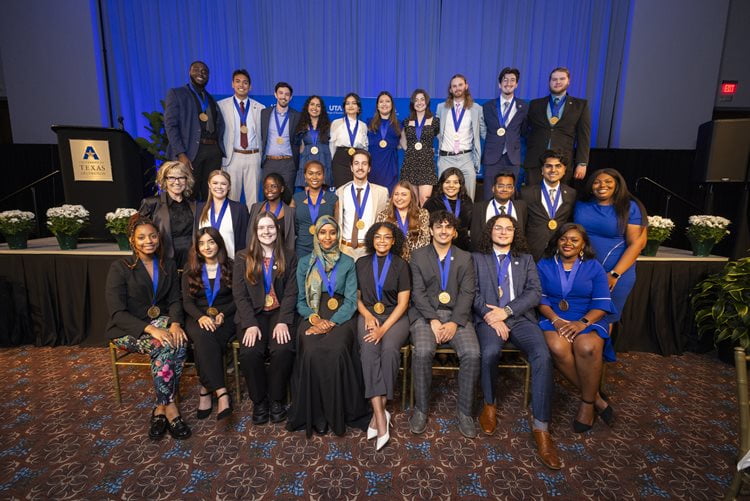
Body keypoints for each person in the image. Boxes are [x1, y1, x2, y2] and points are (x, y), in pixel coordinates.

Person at [472, 214, 560, 470]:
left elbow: (534, 293)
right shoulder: (477, 259)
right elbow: (472, 292)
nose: (502, 232)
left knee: (543, 356)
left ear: (514, 233)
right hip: (489, 319)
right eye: (497, 228)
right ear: (490, 232)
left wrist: (507, 311)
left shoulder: (526, 259)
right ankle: (489, 404)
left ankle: (542, 428)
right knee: (488, 352)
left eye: (507, 228)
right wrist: (491, 316)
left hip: (519, 318)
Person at [105, 215, 190, 440]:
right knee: (162, 344)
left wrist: (175, 324)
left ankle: (160, 408)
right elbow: (117, 312)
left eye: (152, 236)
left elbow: (174, 300)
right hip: (127, 328)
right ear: (133, 241)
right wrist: (151, 330)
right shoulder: (120, 267)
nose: (148, 241)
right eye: (141, 237)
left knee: (178, 340)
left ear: (159, 238)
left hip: (160, 323)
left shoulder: (167, 265)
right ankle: (170, 407)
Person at [287, 215, 371, 437]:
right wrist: (315, 319)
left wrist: (332, 322)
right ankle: (317, 416)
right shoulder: (305, 262)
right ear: (316, 234)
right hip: (313, 314)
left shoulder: (348, 262)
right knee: (312, 350)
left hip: (341, 315)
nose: (327, 237)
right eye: (323, 232)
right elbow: (300, 301)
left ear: (338, 235)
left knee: (335, 351)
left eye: (332, 232)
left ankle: (337, 414)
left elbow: (352, 300)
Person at [537, 223, 615, 433]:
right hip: (554, 317)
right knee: (557, 347)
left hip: (588, 317)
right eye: (563, 239)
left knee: (586, 348)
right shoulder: (544, 264)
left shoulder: (594, 266)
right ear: (557, 242)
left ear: (583, 245)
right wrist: (556, 320)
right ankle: (596, 398)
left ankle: (587, 405)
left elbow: (601, 302)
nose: (568, 243)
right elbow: (541, 299)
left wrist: (583, 323)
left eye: (574, 240)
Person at [409, 210, 480, 438]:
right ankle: (421, 409)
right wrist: (432, 319)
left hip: (457, 314)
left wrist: (454, 323)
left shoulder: (465, 257)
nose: (443, 231)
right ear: (430, 230)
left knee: (472, 353)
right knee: (422, 351)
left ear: (455, 232)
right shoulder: (418, 256)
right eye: (438, 226)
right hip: (425, 314)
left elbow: (468, 293)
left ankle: (465, 412)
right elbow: (418, 293)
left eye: (448, 227)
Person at [234, 212, 298, 426]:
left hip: (279, 313)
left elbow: (291, 292)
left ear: (277, 230)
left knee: (283, 349)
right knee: (250, 351)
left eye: (271, 227)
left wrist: (283, 320)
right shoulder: (243, 257)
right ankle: (260, 401)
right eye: (262, 228)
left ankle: (277, 399)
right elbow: (240, 295)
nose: (267, 232)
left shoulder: (289, 256)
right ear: (255, 231)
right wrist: (250, 323)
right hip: (253, 314)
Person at [356, 222, 411, 451]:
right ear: (371, 239)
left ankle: (379, 413)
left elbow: (403, 303)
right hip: (368, 314)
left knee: (389, 351)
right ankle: (381, 415)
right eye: (377, 237)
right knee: (369, 351)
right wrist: (368, 315)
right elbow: (356, 297)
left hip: (394, 317)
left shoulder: (401, 265)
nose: (382, 241)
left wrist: (383, 328)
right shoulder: (361, 263)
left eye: (387, 237)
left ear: (393, 240)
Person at [574, 168, 647, 325]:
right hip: (583, 271)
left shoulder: (629, 207)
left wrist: (614, 274)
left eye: (608, 182)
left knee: (604, 319)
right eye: (597, 182)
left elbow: (637, 244)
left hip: (614, 272)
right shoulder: (581, 204)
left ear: (617, 185)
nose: (602, 186)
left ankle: (602, 350)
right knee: (579, 316)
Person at [182, 227, 235, 421]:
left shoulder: (232, 266)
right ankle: (222, 393)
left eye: (211, 242)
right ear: (196, 247)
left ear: (219, 244)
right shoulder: (190, 269)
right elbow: (187, 302)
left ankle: (205, 389)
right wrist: (201, 317)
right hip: (198, 315)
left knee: (213, 337)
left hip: (226, 315)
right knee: (203, 335)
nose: (207, 247)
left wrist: (222, 314)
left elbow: (238, 298)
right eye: (202, 243)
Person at [164, 61, 225, 201]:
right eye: (196, 69)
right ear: (189, 72)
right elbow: (170, 125)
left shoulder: (210, 99)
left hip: (212, 152)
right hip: (191, 153)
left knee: (209, 194)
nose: (201, 73)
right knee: (188, 193)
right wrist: (181, 153)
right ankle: (188, 223)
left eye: (205, 71)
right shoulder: (177, 94)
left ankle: (207, 222)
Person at [524, 67, 591, 186]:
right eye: (554, 79)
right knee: (532, 199)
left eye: (562, 79)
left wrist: (582, 163)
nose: (557, 82)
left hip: (563, 162)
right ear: (549, 82)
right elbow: (525, 130)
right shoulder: (535, 104)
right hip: (535, 161)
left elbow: (584, 136)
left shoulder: (580, 105)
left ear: (568, 81)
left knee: (560, 201)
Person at [217, 69, 265, 208]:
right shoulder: (221, 106)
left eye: (245, 83)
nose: (241, 85)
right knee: (232, 197)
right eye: (238, 81)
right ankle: (233, 228)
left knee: (254, 199)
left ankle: (253, 228)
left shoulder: (260, 108)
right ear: (232, 84)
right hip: (232, 157)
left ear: (250, 86)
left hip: (253, 156)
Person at [519, 150, 577, 261]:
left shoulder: (571, 194)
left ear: (564, 170)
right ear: (542, 170)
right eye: (548, 166)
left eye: (558, 166)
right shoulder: (526, 193)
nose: (553, 170)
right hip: (532, 251)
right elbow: (521, 223)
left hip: (560, 251)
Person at [435, 74, 485, 200]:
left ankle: (467, 220)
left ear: (466, 86)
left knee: (469, 196)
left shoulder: (476, 108)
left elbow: (484, 132)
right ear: (450, 89)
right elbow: (435, 129)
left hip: (466, 158)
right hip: (446, 158)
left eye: (460, 85)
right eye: (454, 86)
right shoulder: (441, 107)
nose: (457, 88)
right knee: (444, 197)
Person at [139, 160, 196, 270]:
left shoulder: (194, 204)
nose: (177, 182)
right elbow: (139, 233)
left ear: (187, 180)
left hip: (191, 259)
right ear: (164, 180)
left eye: (181, 177)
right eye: (171, 177)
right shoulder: (151, 203)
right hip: (164, 258)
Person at [481, 68, 528, 200]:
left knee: (510, 195)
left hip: (512, 158)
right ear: (499, 84)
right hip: (492, 157)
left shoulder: (523, 107)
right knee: (489, 194)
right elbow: (483, 129)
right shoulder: (487, 107)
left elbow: (524, 131)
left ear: (517, 84)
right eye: (505, 80)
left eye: (512, 80)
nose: (508, 83)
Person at [335, 150, 389, 261]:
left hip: (368, 250)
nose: (360, 167)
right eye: (356, 163)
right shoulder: (340, 192)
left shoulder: (381, 193)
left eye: (364, 164)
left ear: (369, 168)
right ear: (351, 167)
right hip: (345, 249)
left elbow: (384, 222)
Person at [194, 169, 250, 259]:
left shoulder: (239, 209)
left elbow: (245, 240)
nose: (219, 187)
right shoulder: (199, 208)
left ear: (229, 187)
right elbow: (195, 238)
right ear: (209, 185)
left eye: (223, 184)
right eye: (215, 183)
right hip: (204, 264)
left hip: (231, 264)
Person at [400, 89, 440, 206]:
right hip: (410, 164)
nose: (419, 102)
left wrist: (428, 151)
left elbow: (441, 138)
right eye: (416, 100)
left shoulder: (435, 121)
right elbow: (403, 140)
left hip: (426, 165)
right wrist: (411, 151)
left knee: (425, 199)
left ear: (427, 102)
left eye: (422, 99)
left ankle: (424, 224)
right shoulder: (407, 121)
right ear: (412, 103)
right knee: (412, 201)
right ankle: (413, 224)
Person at [290, 161, 339, 256]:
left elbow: (336, 226)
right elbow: (292, 226)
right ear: (305, 176)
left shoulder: (333, 199)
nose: (314, 177)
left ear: (323, 176)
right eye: (310, 173)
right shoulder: (296, 198)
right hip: (302, 247)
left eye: (318, 173)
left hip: (326, 247)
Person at [260, 82, 301, 195]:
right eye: (281, 93)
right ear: (275, 94)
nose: (284, 96)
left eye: (287, 94)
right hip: (269, 162)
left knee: (287, 196)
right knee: (268, 195)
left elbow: (299, 140)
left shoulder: (297, 116)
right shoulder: (264, 113)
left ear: (291, 97)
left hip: (288, 163)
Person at [470, 171, 528, 251]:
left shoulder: (522, 207)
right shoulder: (478, 208)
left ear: (513, 190)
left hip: (513, 256)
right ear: (493, 188)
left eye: (509, 186)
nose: (504, 189)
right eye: (500, 186)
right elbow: (474, 236)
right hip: (485, 255)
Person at [375, 180, 430, 262]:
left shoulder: (422, 214)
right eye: (396, 194)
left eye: (403, 194)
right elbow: (379, 243)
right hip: (391, 263)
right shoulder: (383, 216)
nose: (399, 198)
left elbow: (425, 242)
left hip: (416, 263)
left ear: (411, 197)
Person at [423, 167, 473, 251]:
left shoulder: (467, 201)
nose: (451, 186)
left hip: (462, 248)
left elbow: (470, 226)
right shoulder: (432, 203)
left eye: (455, 182)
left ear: (460, 185)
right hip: (437, 248)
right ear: (441, 184)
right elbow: (425, 229)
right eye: (447, 182)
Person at [249, 173, 296, 255]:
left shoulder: (291, 212)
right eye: (266, 187)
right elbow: (249, 234)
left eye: (273, 186)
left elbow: (292, 238)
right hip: (258, 255)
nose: (269, 190)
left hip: (281, 256)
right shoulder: (255, 207)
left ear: (281, 189)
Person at [329, 93, 368, 187]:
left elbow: (365, 147)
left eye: (354, 103)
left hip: (358, 159)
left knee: (358, 188)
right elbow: (332, 146)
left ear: (358, 107)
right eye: (347, 103)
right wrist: (333, 161)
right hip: (340, 160)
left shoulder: (363, 125)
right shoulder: (336, 123)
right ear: (344, 107)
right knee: (341, 189)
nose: (350, 106)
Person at [293, 95, 333, 189]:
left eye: (318, 106)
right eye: (312, 104)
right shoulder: (301, 126)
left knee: (322, 198)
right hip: (306, 162)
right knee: (308, 196)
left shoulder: (329, 126)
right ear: (307, 107)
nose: (315, 108)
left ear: (321, 109)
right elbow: (297, 147)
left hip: (323, 163)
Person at [367, 91, 401, 193]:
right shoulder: (368, 123)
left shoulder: (399, 125)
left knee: (389, 200)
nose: (384, 104)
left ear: (392, 105)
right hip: (373, 168)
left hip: (390, 169)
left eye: (387, 101)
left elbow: (405, 145)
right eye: (381, 101)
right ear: (377, 106)